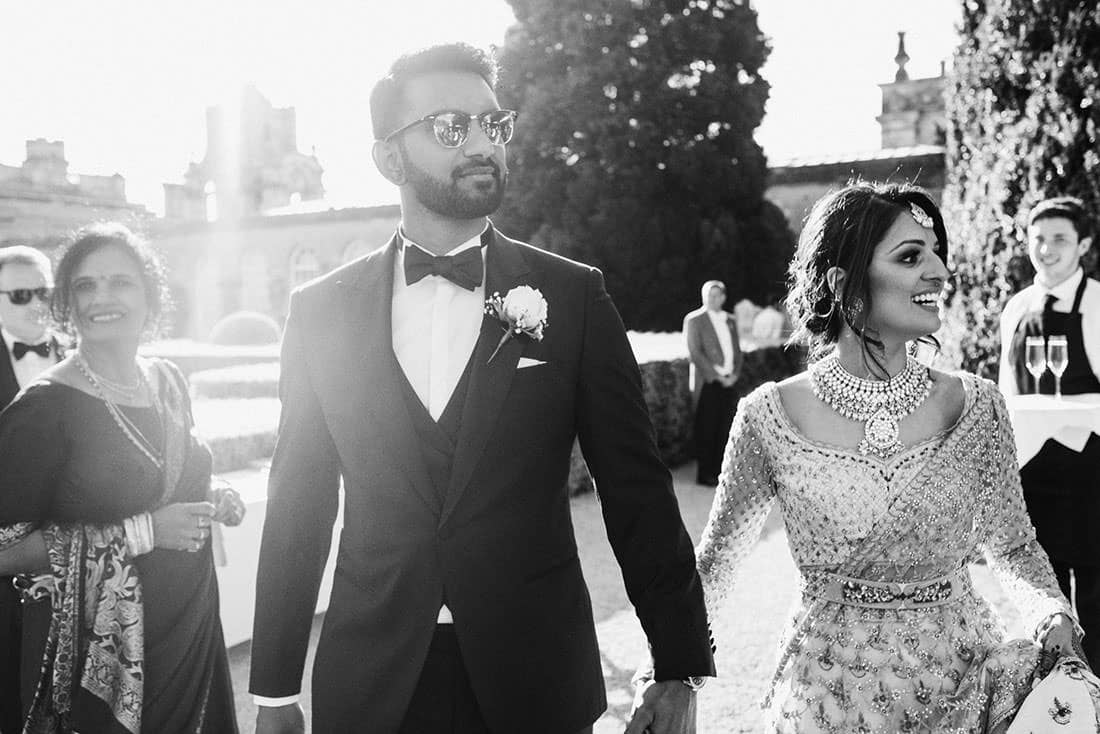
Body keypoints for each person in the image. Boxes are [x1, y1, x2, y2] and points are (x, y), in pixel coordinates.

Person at [249, 43, 713, 734]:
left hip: (537, 677)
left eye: (494, 125)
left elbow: (637, 489)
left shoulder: (573, 297)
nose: (482, 145)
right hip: (372, 681)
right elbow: (300, 504)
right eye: (449, 127)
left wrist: (677, 665)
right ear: (389, 159)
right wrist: (275, 691)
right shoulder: (321, 312)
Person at [695, 182, 1083, 732]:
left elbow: (1013, 545)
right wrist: (667, 674)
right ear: (844, 282)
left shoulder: (977, 406)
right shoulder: (769, 416)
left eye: (936, 254)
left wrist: (1051, 613)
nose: (940, 273)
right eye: (910, 256)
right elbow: (716, 565)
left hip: (964, 683)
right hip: (826, 694)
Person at [0, 223, 244, 733]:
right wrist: (144, 532)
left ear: (151, 295)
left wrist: (214, 492)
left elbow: (169, 474)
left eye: (120, 282)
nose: (101, 298)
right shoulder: (42, 410)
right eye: (85, 286)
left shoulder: (168, 380)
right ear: (65, 302)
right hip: (103, 665)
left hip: (191, 626)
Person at [998, 195, 1100, 666]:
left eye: (1059, 238)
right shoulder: (1016, 308)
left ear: (1083, 244)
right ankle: (1059, 698)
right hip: (1032, 475)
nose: (1046, 248)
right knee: (1046, 593)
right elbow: (1004, 391)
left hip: (1090, 469)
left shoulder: (1098, 305)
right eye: (1038, 238)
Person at [0, 245, 63, 734]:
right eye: (21, 294)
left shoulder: (85, 355)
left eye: (44, 291)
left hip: (81, 572)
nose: (37, 303)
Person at [683, 280, 742, 486]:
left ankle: (721, 471)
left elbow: (737, 351)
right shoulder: (694, 319)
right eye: (708, 294)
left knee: (725, 426)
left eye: (716, 295)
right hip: (708, 382)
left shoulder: (731, 320)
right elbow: (694, 352)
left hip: (729, 381)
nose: (712, 298)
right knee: (706, 427)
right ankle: (705, 473)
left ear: (723, 297)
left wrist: (734, 375)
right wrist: (716, 376)